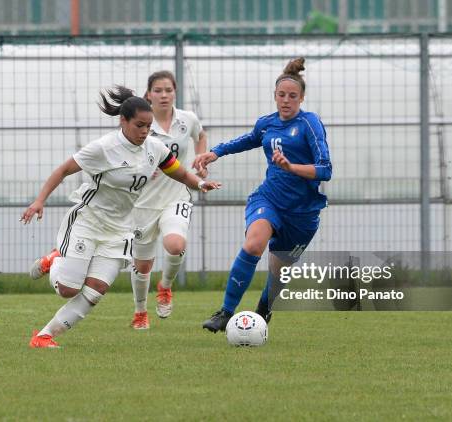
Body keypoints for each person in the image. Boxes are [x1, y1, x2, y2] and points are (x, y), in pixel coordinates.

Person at [21, 86, 220, 348]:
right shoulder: (104, 148)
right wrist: (39, 201)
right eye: (139, 125)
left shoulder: (154, 148)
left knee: (95, 291)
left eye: (148, 126)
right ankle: (55, 258)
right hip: (88, 221)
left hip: (119, 230)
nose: (144, 131)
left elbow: (179, 173)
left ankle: (44, 336)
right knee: (68, 289)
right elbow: (63, 170)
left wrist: (199, 184)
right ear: (123, 121)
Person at [193, 57, 332, 333]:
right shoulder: (267, 124)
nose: (286, 100)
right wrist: (215, 152)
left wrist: (291, 167)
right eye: (281, 95)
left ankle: (263, 310)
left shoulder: (310, 123)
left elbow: (325, 169)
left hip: (303, 213)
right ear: (275, 96)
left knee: (279, 271)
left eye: (293, 96)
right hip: (268, 199)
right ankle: (225, 312)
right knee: (253, 245)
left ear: (302, 98)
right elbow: (247, 139)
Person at [129, 70, 208, 329]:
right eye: (158, 90)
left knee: (175, 244)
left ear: (175, 92)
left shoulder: (187, 119)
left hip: (177, 196)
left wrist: (200, 159)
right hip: (143, 203)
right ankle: (140, 312)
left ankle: (165, 287)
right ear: (148, 94)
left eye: (168, 90)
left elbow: (201, 135)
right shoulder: (141, 125)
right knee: (142, 265)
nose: (164, 95)